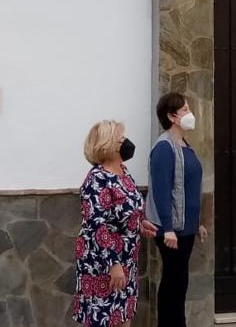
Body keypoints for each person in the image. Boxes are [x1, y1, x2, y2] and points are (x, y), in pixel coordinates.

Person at [74, 120, 158, 326]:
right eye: (121, 140)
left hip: (127, 260)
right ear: (108, 145)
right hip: (103, 263)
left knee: (122, 317)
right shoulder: (97, 179)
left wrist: (139, 224)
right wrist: (113, 264)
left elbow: (123, 211)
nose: (127, 143)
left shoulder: (124, 172)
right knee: (104, 318)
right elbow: (96, 225)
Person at [146, 93, 206, 327]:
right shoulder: (164, 147)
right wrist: (168, 228)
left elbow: (188, 188)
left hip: (186, 228)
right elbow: (161, 191)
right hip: (173, 232)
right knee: (173, 283)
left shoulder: (185, 146)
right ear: (172, 116)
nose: (190, 114)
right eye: (185, 110)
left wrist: (197, 222)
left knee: (180, 283)